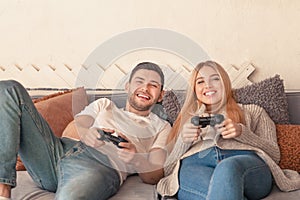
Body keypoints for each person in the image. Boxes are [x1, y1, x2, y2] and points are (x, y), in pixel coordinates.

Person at [0, 62, 171, 200]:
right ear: (127, 86)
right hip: (59, 152)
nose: (145, 88)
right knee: (9, 89)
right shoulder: (105, 104)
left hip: (100, 166)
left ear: (161, 95)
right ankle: (3, 190)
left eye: (153, 85)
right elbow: (75, 127)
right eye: (139, 81)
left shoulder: (161, 126)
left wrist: (136, 158)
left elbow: (154, 176)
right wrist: (87, 133)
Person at [157, 60, 300, 200]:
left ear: (225, 83)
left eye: (215, 79)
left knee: (228, 167)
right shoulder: (186, 120)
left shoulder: (254, 111)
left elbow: (274, 154)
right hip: (195, 165)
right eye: (200, 81)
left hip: (245, 164)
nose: (208, 85)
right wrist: (184, 140)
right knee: (221, 190)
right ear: (194, 89)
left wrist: (243, 133)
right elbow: (168, 170)